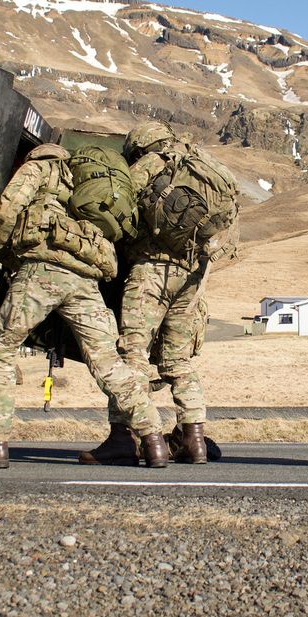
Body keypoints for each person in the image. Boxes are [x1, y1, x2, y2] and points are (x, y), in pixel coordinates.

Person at [0, 144, 167, 469]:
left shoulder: (44, 166)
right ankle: (154, 440)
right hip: (85, 277)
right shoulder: (90, 182)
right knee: (108, 363)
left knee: (1, 352)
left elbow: (9, 207)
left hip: (41, 270)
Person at [81, 121, 215, 466]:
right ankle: (193, 438)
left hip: (153, 269)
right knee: (177, 360)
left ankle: (125, 437)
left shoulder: (152, 163)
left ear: (141, 146)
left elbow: (120, 204)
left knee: (133, 352)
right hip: (194, 273)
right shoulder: (201, 165)